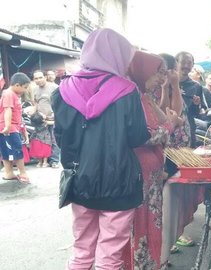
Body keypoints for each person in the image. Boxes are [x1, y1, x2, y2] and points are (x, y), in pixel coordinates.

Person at [52, 28, 150, 269]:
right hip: (119, 181)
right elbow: (138, 137)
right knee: (110, 254)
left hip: (80, 180)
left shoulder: (61, 91)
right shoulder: (127, 90)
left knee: (82, 248)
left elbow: (61, 139)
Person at [122, 51, 183, 270]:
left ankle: (150, 265)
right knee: (140, 224)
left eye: (163, 72)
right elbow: (145, 135)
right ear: (142, 71)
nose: (161, 77)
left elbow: (167, 118)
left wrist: (170, 121)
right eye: (157, 72)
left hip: (152, 174)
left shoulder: (144, 96)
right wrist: (170, 126)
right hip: (140, 173)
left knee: (150, 223)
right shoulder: (132, 98)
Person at [159, 53, 203, 266]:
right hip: (164, 150)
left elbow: (188, 113)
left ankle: (171, 239)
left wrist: (194, 103)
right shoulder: (158, 87)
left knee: (174, 197)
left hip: (182, 146)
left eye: (189, 64)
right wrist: (172, 86)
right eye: (181, 64)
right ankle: (162, 248)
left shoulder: (194, 86)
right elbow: (167, 115)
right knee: (162, 201)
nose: (185, 67)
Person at [0, 72, 31, 183]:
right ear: (17, 85)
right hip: (8, 127)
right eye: (25, 87)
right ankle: (22, 172)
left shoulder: (13, 94)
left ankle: (9, 173)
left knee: (6, 150)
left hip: (11, 126)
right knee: (17, 150)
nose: (25, 90)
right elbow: (7, 109)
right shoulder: (9, 94)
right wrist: (8, 126)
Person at [176, 51, 204, 148]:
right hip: (169, 128)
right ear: (176, 63)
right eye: (183, 62)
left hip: (188, 129)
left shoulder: (196, 86)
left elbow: (196, 113)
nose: (186, 66)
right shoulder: (166, 82)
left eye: (189, 63)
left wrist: (196, 104)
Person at [32, 70, 60, 168]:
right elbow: (35, 103)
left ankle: (54, 160)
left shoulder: (55, 87)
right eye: (36, 78)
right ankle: (45, 160)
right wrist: (33, 113)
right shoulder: (34, 89)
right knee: (42, 140)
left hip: (53, 119)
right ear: (33, 79)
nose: (39, 80)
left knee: (53, 139)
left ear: (45, 77)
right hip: (41, 121)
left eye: (40, 77)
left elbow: (61, 103)